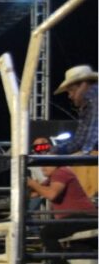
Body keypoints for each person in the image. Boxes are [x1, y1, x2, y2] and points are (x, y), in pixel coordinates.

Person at [26, 162, 98, 264]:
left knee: (47, 233)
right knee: (79, 250)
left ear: (57, 165)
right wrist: (30, 186)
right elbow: (35, 194)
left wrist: (32, 183)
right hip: (83, 218)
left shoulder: (61, 173)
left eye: (48, 164)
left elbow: (51, 194)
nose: (43, 166)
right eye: (42, 164)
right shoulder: (54, 177)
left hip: (82, 216)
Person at [51, 65, 98, 198]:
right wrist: (57, 150)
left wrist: (80, 156)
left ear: (83, 85)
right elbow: (79, 141)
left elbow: (94, 137)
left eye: (71, 91)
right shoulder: (87, 105)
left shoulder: (96, 98)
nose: (70, 96)